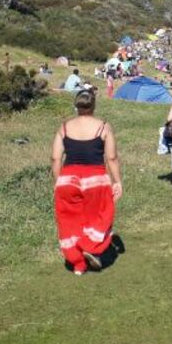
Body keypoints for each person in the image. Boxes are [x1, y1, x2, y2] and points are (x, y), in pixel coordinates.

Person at [51, 90, 122, 275]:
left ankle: (78, 265)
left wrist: (58, 181)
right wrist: (117, 181)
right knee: (101, 215)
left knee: (70, 221)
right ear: (93, 106)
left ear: (76, 106)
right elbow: (112, 157)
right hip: (95, 179)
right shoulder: (103, 127)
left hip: (68, 178)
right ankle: (89, 245)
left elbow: (55, 158)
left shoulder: (64, 127)